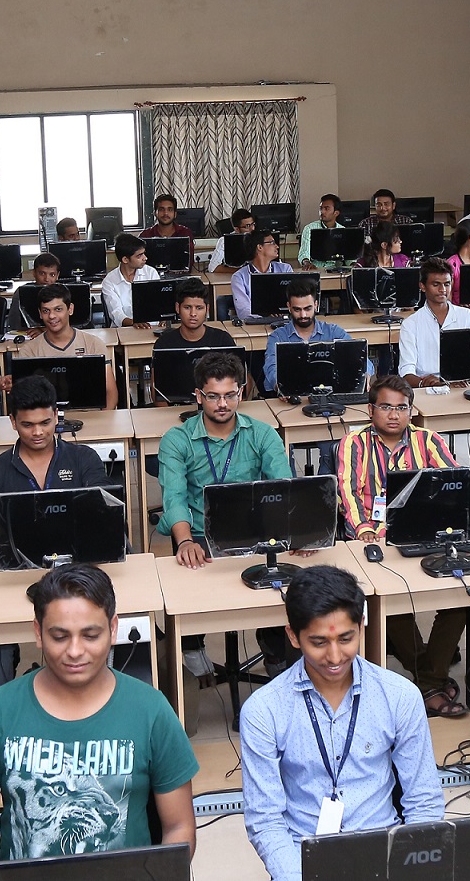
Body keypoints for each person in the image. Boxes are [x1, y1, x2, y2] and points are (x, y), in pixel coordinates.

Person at [0, 564, 198, 862]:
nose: (74, 651)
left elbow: (179, 827)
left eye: (90, 635)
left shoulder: (151, 710)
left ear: (113, 629)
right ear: (38, 632)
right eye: (60, 636)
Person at [240, 566, 444, 881]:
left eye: (346, 639)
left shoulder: (399, 696)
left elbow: (424, 801)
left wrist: (413, 868)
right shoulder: (264, 711)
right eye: (319, 642)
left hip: (385, 857)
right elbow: (266, 820)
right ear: (293, 636)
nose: (335, 657)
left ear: (361, 625)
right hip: (303, 862)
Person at [0, 377, 117, 691]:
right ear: (12, 422)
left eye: (45, 423)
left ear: (56, 416)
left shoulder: (84, 460)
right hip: (13, 582)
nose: (37, 432)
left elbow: (104, 522)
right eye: (27, 425)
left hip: (82, 577)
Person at [336, 375, 468, 718]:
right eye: (386, 407)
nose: (394, 414)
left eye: (401, 408)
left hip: (423, 537)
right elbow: (348, 493)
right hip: (371, 539)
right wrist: (365, 529)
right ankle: (433, 681)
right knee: (387, 599)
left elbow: (455, 486)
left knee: (463, 594)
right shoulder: (354, 443)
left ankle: (428, 680)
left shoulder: (428, 440)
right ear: (371, 410)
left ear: (411, 410)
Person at [156, 351, 293, 675]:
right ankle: (192, 648)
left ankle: (275, 652)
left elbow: (284, 489)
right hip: (199, 534)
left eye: (230, 395)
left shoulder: (262, 434)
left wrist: (294, 533)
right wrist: (184, 541)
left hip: (254, 533)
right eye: (213, 396)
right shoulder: (176, 440)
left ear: (241, 393)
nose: (222, 404)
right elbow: (174, 497)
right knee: (189, 588)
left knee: (284, 589)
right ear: (198, 396)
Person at [14, 284, 118, 409]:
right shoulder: (29, 351)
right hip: (46, 418)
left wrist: (103, 418)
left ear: (70, 309)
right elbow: (25, 399)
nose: (52, 316)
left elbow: (111, 392)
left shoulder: (94, 344)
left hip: (90, 415)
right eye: (46, 311)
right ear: (40, 313)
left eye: (58, 309)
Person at [396, 258, 470, 387]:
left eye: (447, 284)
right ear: (422, 286)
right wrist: (425, 383)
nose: (442, 289)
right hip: (426, 388)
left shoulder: (468, 317)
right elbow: (406, 372)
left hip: (462, 386)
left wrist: (462, 378)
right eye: (436, 284)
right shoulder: (410, 324)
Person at [262, 277, 348, 393]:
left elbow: (359, 357)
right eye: (297, 310)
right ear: (289, 307)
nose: (303, 315)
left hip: (329, 394)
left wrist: (366, 375)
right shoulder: (277, 337)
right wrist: (281, 387)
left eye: (308, 309)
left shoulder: (334, 332)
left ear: (316, 305)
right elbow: (271, 367)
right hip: (290, 395)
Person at [152, 278, 237, 352]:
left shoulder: (223, 341)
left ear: (207, 309)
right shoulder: (164, 344)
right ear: (177, 308)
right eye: (187, 307)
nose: (193, 314)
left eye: (199, 308)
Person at [232, 230, 296, 322]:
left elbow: (295, 299)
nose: (277, 246)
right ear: (260, 247)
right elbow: (243, 311)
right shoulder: (239, 277)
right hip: (257, 324)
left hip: (285, 322)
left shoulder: (285, 269)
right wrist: (265, 318)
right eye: (272, 242)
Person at [101, 233, 160, 327]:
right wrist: (134, 322)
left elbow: (158, 303)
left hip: (152, 327)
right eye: (139, 255)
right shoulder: (109, 281)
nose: (145, 258)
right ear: (125, 259)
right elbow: (116, 313)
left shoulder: (151, 273)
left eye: (144, 253)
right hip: (124, 329)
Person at [298, 193, 345, 269]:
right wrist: (306, 262)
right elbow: (304, 252)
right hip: (316, 269)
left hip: (337, 270)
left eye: (326, 208)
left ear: (336, 213)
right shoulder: (309, 228)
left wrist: (353, 264)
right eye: (321, 208)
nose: (322, 211)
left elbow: (349, 256)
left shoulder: (343, 230)